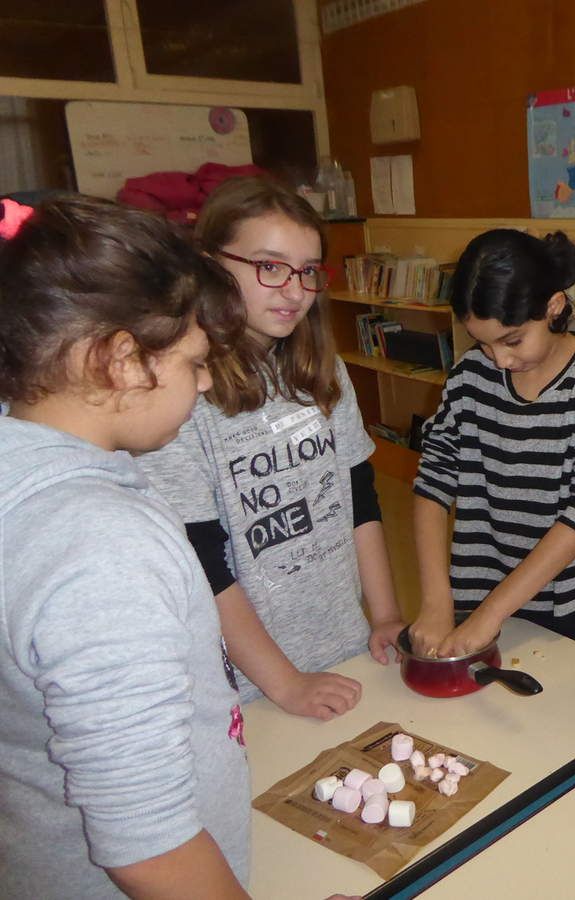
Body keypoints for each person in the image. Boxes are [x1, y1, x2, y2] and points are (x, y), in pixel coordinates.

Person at [0, 196, 251, 897]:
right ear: (119, 359)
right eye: (194, 362)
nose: (205, 381)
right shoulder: (102, 548)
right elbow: (149, 849)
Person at [137, 176, 405, 721]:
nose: (294, 290)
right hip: (253, 682)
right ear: (210, 265)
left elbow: (361, 501)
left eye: (307, 271)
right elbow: (202, 561)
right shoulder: (182, 396)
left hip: (345, 643)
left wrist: (385, 616)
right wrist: (285, 683)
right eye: (270, 266)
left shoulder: (326, 372)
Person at [409, 229, 575, 664]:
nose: (499, 360)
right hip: (486, 587)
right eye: (483, 343)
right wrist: (436, 600)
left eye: (512, 340)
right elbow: (433, 482)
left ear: (553, 307)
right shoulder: (468, 377)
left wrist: (491, 615)